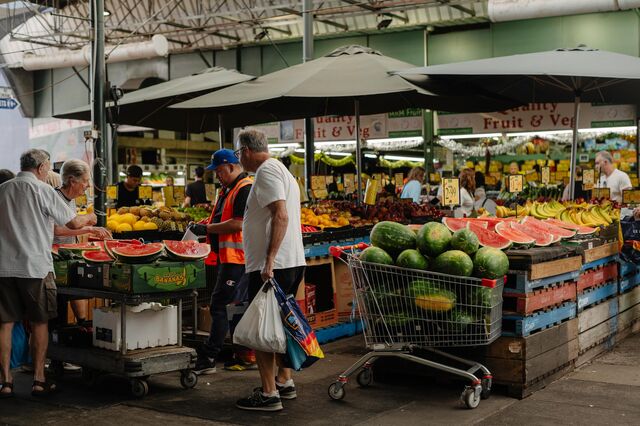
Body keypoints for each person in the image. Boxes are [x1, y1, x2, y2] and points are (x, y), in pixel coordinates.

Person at [0, 149, 97, 398]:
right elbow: (73, 223)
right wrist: (91, 218)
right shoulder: (43, 190)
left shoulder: (3, 189)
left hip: (4, 267)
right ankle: (39, 379)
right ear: (42, 167)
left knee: (5, 324)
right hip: (35, 267)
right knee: (40, 322)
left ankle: (6, 382)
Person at [235, 129, 306, 412]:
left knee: (263, 329)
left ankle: (268, 394)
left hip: (274, 266)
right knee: (279, 325)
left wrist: (269, 260)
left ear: (247, 151)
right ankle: (284, 381)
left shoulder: (266, 172)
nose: (239, 158)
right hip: (286, 262)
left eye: (239, 153)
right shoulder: (280, 170)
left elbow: (281, 214)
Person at [190, 150, 254, 375]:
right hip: (229, 257)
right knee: (233, 306)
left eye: (218, 171)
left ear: (230, 166)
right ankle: (243, 353)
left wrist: (206, 229)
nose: (216, 175)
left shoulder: (244, 187)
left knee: (219, 305)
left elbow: (237, 224)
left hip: (238, 259)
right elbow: (221, 218)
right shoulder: (228, 189)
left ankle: (208, 357)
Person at [52, 160, 111, 327]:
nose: (87, 185)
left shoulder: (70, 199)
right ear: (72, 180)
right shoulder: (56, 198)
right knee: (61, 299)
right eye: (85, 181)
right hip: (54, 256)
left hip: (65, 253)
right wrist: (88, 229)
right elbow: (57, 230)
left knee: (76, 289)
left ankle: (83, 324)